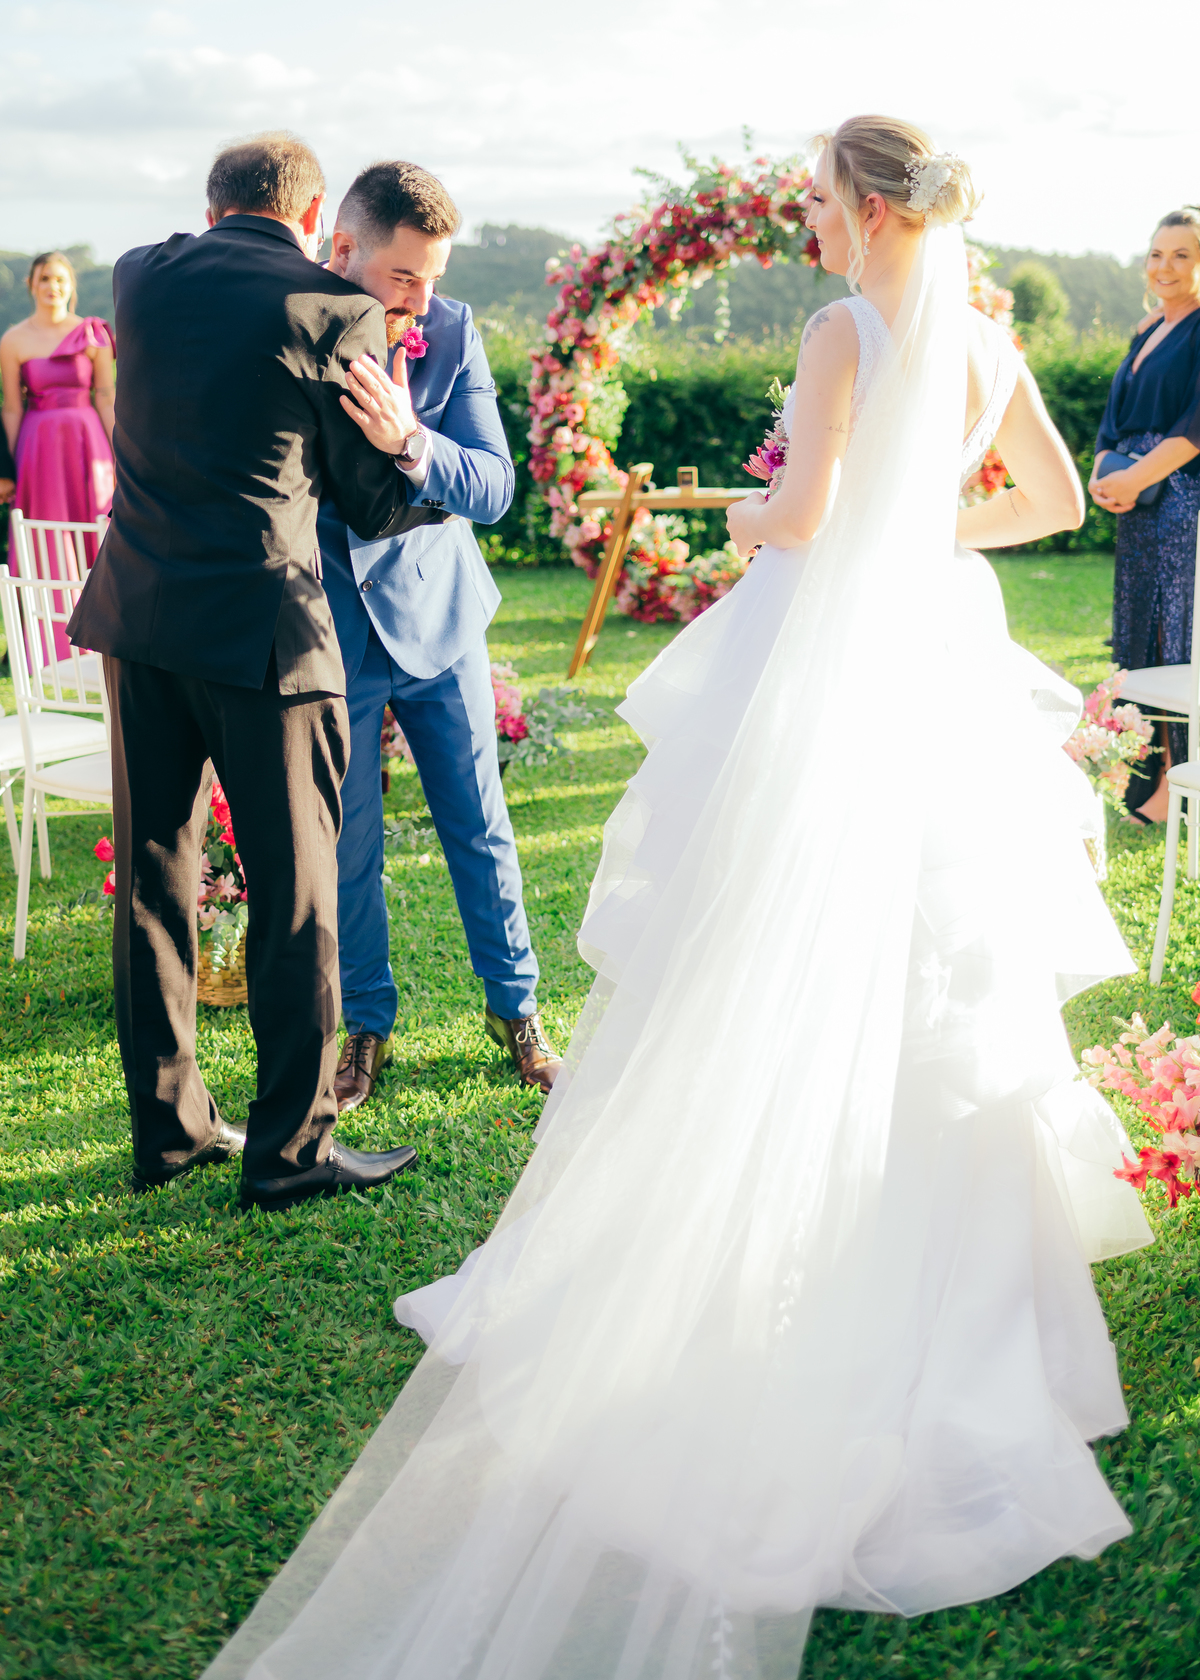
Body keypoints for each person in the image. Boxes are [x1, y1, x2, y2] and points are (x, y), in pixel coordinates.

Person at [202, 119, 1152, 1680]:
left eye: (824, 207)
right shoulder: (987, 338)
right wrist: (920, 534)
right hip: (929, 656)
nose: (818, 232)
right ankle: (949, 1305)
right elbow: (1048, 503)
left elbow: (798, 518)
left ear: (862, 207)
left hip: (829, 663)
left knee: (758, 940)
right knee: (934, 954)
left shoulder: (845, 328)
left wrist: (782, 518)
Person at [67, 133, 445, 1213]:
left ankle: (172, 1136)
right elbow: (371, 504)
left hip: (138, 622)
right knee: (296, 896)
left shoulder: (139, 278)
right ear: (314, 207)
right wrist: (407, 439)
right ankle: (290, 1154)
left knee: (152, 885)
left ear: (211, 201)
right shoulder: (334, 310)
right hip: (267, 641)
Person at [317, 161, 559, 1113]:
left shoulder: (454, 331)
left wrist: (414, 440)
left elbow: (495, 488)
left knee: (479, 826)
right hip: (331, 627)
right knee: (350, 845)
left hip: (440, 613)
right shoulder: (284, 323)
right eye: (405, 276)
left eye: (434, 276)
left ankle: (517, 1010)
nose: (424, 298)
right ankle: (364, 1027)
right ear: (344, 252)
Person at [1089, 208, 1200, 826]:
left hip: (1181, 503)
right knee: (1141, 637)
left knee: (1177, 635)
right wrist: (1105, 467)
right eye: (1157, 253)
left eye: (1181, 255)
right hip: (1139, 510)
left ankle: (1180, 783)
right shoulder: (1146, 330)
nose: (1164, 266)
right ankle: (1150, 777)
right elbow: (1114, 418)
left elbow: (1196, 424)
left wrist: (1136, 475)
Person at [1, 251, 116, 655]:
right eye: (45, 279)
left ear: (72, 286)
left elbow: (105, 396)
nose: (53, 287)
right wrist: (13, 467)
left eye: (61, 280)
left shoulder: (93, 333)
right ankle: (51, 641)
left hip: (89, 443)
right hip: (38, 445)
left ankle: (103, 633)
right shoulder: (12, 340)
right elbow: (12, 407)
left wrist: (120, 456)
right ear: (32, 285)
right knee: (44, 532)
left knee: (97, 528)